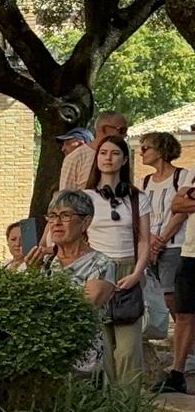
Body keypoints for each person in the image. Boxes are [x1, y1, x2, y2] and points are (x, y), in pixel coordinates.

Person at [81, 135, 149, 383]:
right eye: (103, 153)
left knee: (129, 349)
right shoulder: (85, 197)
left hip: (128, 270)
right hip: (97, 272)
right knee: (104, 348)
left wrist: (137, 273)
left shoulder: (137, 198)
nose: (108, 158)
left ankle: (129, 408)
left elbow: (144, 240)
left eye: (114, 153)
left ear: (124, 159)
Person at [28, 190, 114, 375]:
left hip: (83, 363)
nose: (57, 222)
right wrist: (31, 274)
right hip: (41, 360)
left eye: (66, 215)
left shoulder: (101, 263)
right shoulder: (41, 262)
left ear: (85, 222)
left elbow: (83, 307)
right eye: (52, 216)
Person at [142, 134, 191, 391]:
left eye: (146, 148)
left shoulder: (182, 176)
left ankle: (186, 354)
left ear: (161, 150)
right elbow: (145, 212)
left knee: (174, 298)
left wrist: (161, 239)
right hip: (152, 246)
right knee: (161, 296)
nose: (141, 152)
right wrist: (149, 240)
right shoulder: (146, 180)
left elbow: (181, 211)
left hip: (175, 245)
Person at [60, 113, 129, 193]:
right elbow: (65, 198)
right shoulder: (75, 158)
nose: (125, 135)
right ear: (105, 129)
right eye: (122, 130)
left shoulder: (124, 154)